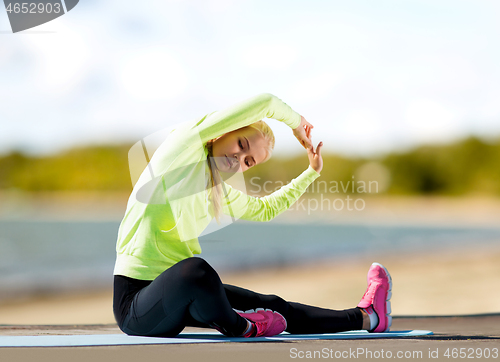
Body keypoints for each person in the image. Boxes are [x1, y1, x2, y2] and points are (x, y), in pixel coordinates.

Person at [112, 93, 392, 338]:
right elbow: (266, 102)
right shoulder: (183, 149)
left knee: (271, 305)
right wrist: (296, 123)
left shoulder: (218, 192)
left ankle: (368, 317)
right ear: (225, 131)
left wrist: (311, 173)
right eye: (241, 144)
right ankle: (242, 327)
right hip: (135, 305)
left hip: (179, 301)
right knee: (196, 271)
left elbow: (267, 209)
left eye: (248, 161)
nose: (239, 158)